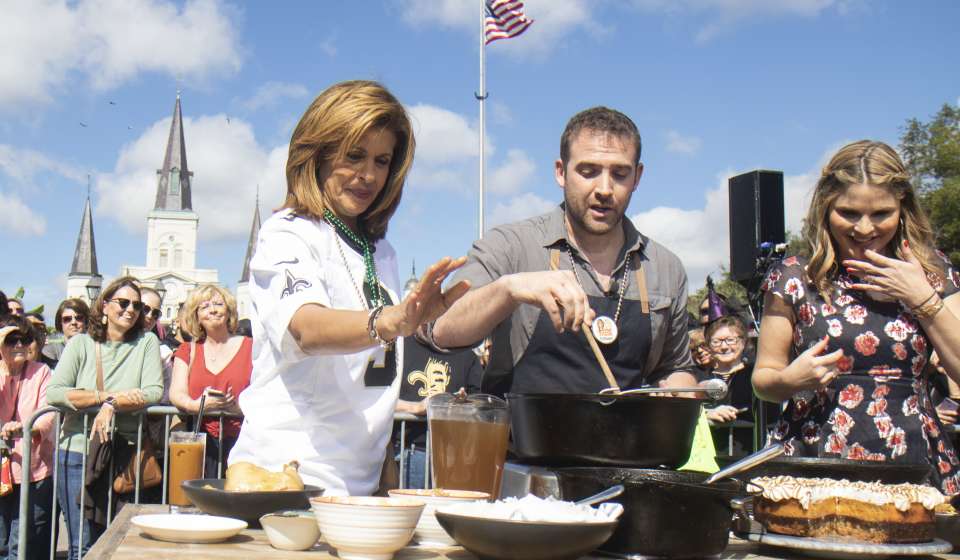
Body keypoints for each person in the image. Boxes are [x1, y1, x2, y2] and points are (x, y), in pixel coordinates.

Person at [228, 80, 467, 496]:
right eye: (354, 156)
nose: (368, 175)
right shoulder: (288, 232)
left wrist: (383, 476)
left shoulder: (383, 252)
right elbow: (307, 328)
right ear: (317, 154)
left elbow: (370, 386)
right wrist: (391, 320)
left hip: (357, 492)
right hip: (285, 482)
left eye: (382, 160)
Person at [432, 106, 697, 394]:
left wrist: (682, 390)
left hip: (625, 438)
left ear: (637, 177)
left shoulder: (665, 267)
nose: (605, 189)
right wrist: (509, 289)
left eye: (620, 174)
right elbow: (444, 329)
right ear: (561, 172)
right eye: (588, 171)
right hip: (520, 437)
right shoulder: (511, 245)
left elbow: (675, 367)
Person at [753, 140, 960, 495]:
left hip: (914, 461)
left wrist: (921, 298)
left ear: (902, 208)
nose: (864, 229)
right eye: (848, 213)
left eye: (881, 214)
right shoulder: (793, 277)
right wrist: (791, 380)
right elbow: (762, 380)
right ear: (826, 208)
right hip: (817, 457)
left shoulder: (932, 272)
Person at [46, 277, 163, 559]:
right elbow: (56, 393)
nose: (131, 309)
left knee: (120, 542)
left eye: (137, 305)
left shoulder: (146, 342)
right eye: (123, 303)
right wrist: (105, 398)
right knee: (83, 545)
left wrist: (110, 405)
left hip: (125, 452)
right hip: (78, 452)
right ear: (105, 306)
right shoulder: (81, 344)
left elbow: (153, 391)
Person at [169, 285, 251, 477]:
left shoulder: (251, 348)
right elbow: (176, 392)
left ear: (228, 310)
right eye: (204, 306)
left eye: (218, 304)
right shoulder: (187, 351)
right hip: (201, 445)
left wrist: (239, 409)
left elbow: (266, 393)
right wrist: (197, 406)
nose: (212, 310)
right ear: (196, 316)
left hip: (244, 442)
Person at [393, 330, 482, 488]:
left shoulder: (467, 356)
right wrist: (416, 407)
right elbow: (376, 400)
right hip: (408, 453)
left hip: (453, 457)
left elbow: (479, 406)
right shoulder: (399, 347)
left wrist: (462, 404)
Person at [0, 317, 55, 560]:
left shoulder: (41, 371)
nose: (19, 344)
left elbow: (48, 414)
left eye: (25, 339)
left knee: (20, 543)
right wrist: (5, 370)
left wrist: (26, 429)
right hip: (2, 471)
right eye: (11, 340)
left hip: (32, 471)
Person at [43, 299, 90, 366]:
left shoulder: (94, 347)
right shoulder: (51, 346)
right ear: (60, 322)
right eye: (67, 319)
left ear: (86, 321)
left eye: (79, 318)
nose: (73, 322)